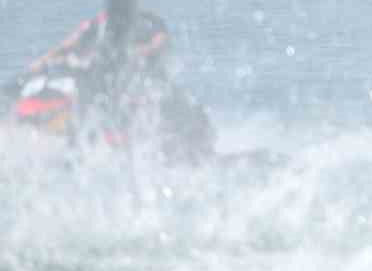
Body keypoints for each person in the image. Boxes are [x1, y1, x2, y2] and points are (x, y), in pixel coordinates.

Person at [8, 9, 216, 162]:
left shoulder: (145, 22)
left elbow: (160, 41)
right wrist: (38, 66)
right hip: (107, 94)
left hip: (143, 87)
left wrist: (132, 55)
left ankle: (190, 146)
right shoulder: (97, 24)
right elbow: (67, 46)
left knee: (162, 103)